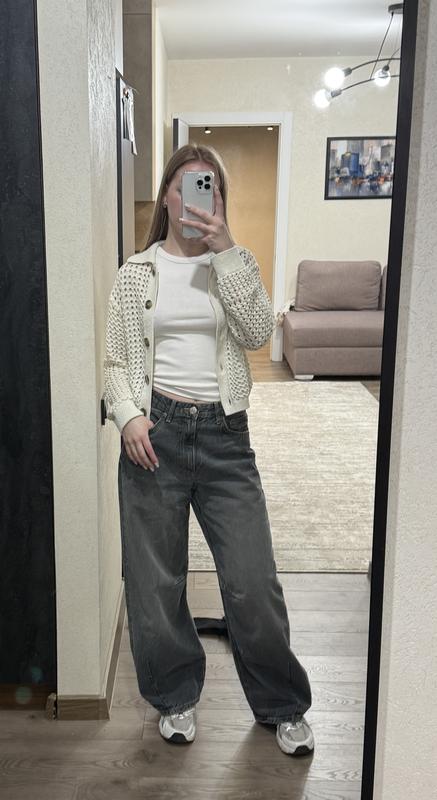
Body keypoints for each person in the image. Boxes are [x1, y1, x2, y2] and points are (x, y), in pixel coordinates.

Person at [103, 143, 314, 756]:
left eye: (211, 187)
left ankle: (282, 705)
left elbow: (256, 332)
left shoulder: (232, 263)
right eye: (189, 185)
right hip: (154, 437)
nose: (201, 197)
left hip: (225, 437)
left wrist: (227, 252)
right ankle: (174, 698)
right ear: (167, 196)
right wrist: (128, 416)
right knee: (155, 584)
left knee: (252, 582)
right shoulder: (136, 273)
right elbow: (116, 361)